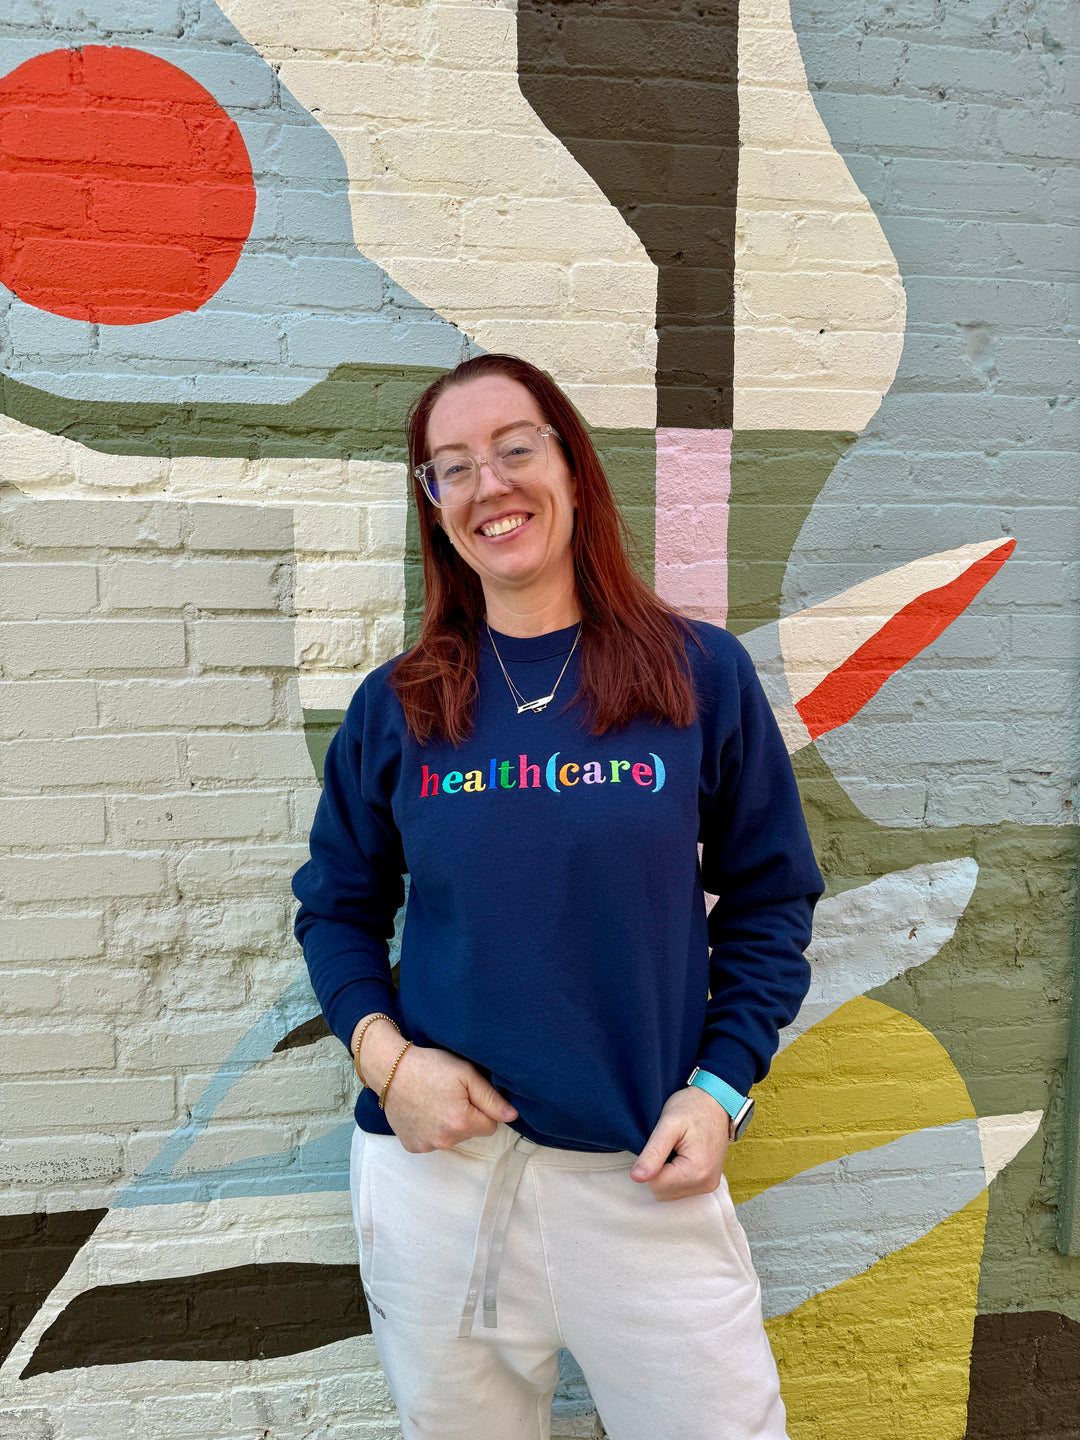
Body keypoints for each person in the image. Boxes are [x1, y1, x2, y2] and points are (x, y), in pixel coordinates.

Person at [292, 353, 824, 1440]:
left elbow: (773, 897)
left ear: (573, 468)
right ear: (434, 509)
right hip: (440, 1182)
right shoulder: (398, 707)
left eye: (514, 448)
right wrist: (390, 1066)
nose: (489, 485)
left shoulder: (699, 676)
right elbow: (336, 905)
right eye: (451, 468)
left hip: (643, 1178)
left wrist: (719, 1089)